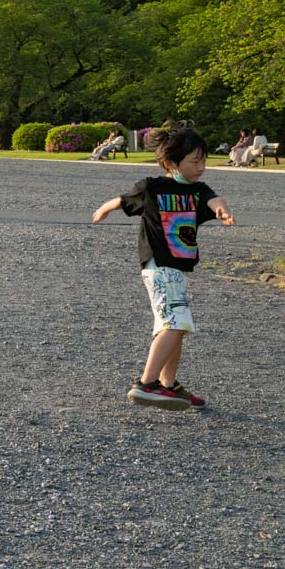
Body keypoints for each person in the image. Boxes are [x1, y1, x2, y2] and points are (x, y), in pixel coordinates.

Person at [90, 126, 234, 411]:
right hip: (159, 266)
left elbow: (214, 199)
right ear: (171, 163)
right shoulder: (153, 188)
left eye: (204, 161)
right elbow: (123, 200)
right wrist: (105, 209)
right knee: (176, 323)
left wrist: (223, 210)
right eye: (195, 162)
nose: (201, 168)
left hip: (174, 269)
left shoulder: (197, 191)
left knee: (173, 327)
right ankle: (147, 384)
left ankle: (169, 385)